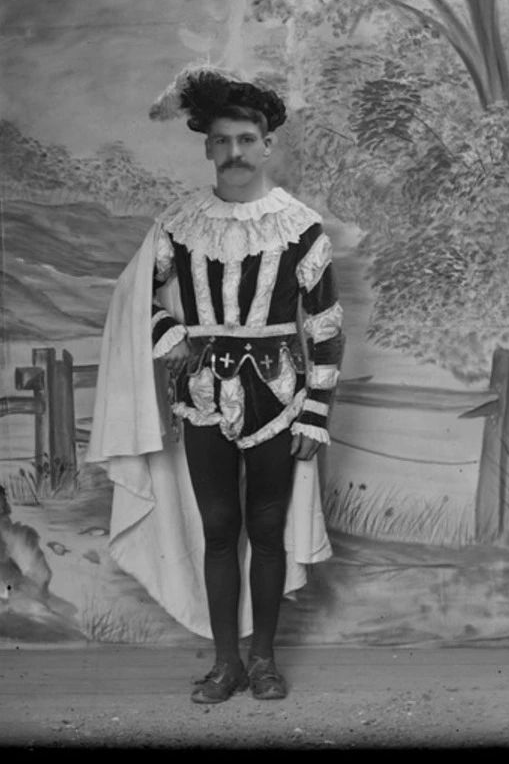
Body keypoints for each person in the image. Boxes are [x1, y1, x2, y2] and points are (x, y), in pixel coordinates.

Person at [86, 64, 344, 705]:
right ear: (207, 147)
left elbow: (328, 324)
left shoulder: (302, 227)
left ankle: (264, 661)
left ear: (266, 143)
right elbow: (131, 299)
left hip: (280, 396)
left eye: (247, 140)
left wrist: (314, 412)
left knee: (267, 523)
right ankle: (225, 663)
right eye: (223, 141)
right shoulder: (178, 224)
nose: (235, 153)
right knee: (219, 525)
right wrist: (171, 333)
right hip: (202, 396)